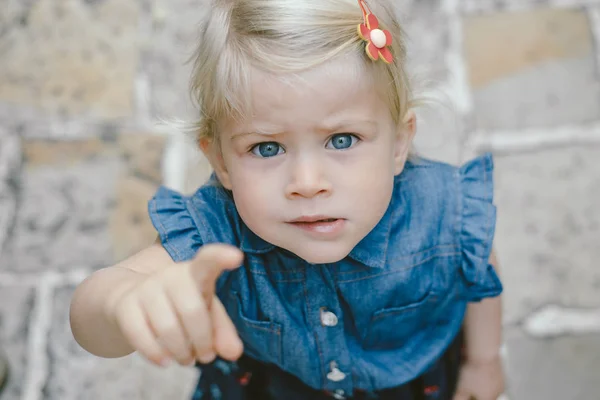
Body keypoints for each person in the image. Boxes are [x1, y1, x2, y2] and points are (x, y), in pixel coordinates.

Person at [69, 0, 505, 399]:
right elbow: (92, 312)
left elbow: (479, 270)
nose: (307, 182)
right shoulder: (218, 232)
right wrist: (123, 302)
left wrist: (483, 362)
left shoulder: (442, 210)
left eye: (342, 139)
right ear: (220, 161)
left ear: (398, 144)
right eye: (267, 148)